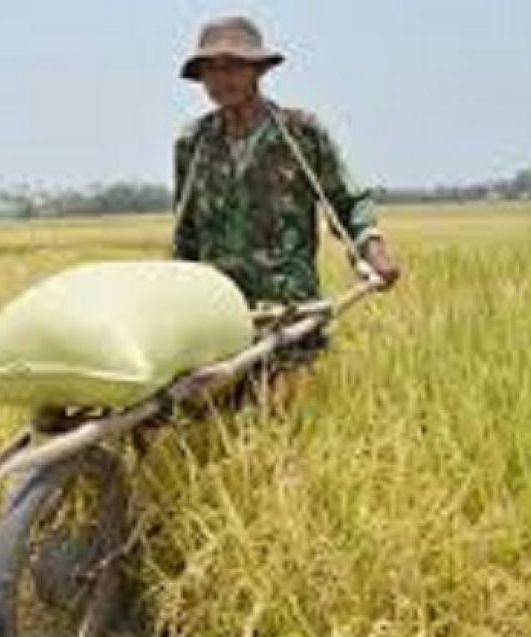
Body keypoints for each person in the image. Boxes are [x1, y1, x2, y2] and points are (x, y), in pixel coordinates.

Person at [171, 15, 401, 411]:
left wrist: (371, 248)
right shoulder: (193, 142)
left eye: (233, 66)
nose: (221, 79)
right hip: (219, 314)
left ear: (258, 70)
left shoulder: (300, 133)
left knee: (283, 421)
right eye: (211, 69)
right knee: (218, 422)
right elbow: (185, 232)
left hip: (289, 311)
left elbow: (345, 200)